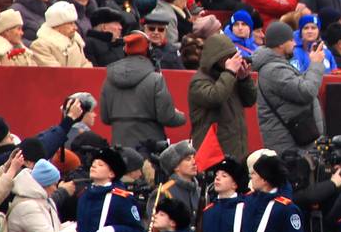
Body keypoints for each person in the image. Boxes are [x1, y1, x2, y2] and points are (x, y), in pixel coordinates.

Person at [100, 31, 185, 151]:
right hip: (149, 149)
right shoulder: (156, 79)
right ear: (149, 52)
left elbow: (105, 117)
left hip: (119, 149)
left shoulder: (109, 80)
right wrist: (181, 117)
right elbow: (167, 117)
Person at [254, 21, 326, 154]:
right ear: (281, 44)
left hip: (290, 143)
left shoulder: (275, 66)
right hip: (288, 147)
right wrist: (315, 64)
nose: (294, 44)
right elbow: (306, 91)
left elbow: (298, 85)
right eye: (291, 40)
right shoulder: (274, 70)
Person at [189, 32, 256, 163]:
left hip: (236, 149)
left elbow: (250, 100)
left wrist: (244, 79)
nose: (231, 61)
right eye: (227, 57)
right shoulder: (199, 81)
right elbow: (216, 97)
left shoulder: (229, 77)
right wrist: (230, 72)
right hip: (213, 153)